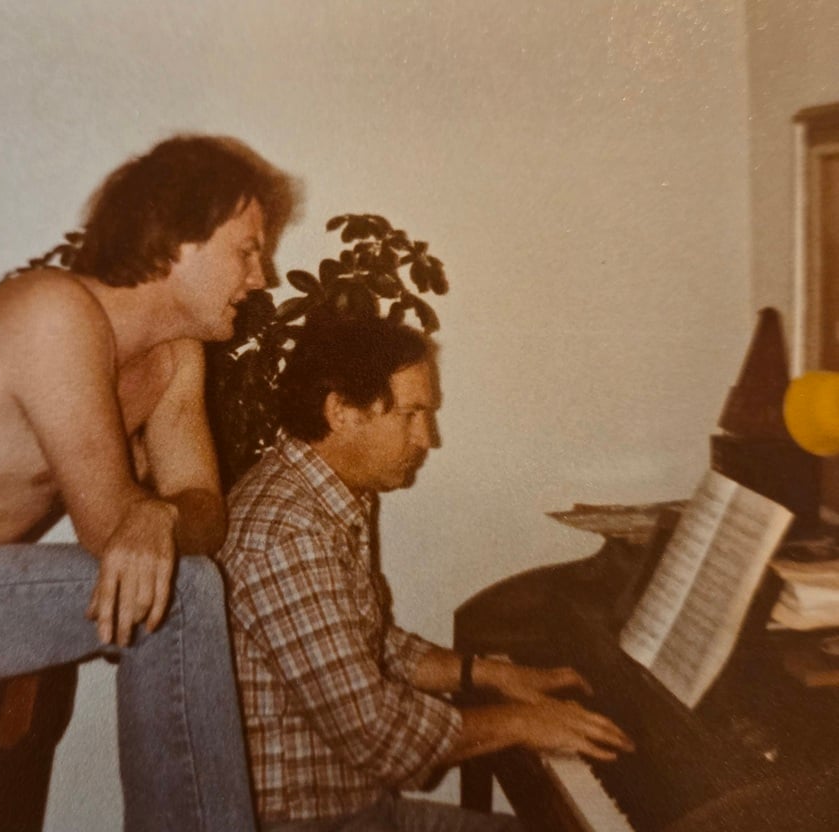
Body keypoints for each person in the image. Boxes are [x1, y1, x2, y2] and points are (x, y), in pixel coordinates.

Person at [0, 134, 297, 832]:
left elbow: (204, 516)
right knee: (183, 591)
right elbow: (112, 533)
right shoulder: (51, 309)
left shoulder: (174, 358)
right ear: (180, 240)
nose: (263, 276)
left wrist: (160, 517)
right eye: (248, 249)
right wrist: (152, 518)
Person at [217, 315, 634, 832]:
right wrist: (524, 722)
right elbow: (375, 733)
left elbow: (365, 643)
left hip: (354, 810)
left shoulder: (322, 496)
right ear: (341, 412)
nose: (426, 438)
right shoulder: (288, 534)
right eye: (411, 414)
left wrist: (492, 673)